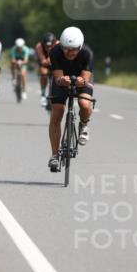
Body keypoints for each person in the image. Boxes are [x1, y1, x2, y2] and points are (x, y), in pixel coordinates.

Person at [47, 26, 93, 172]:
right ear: (61, 45)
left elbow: (86, 78)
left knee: (85, 104)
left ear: (80, 46)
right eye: (66, 48)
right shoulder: (55, 51)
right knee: (57, 113)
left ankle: (84, 124)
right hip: (62, 81)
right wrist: (62, 80)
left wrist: (81, 82)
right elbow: (58, 77)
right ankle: (54, 155)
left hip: (81, 80)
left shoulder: (87, 53)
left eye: (74, 49)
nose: (70, 52)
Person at [34, 32, 58, 107]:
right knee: (43, 73)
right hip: (45, 63)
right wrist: (48, 59)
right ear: (43, 44)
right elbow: (43, 60)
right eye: (46, 46)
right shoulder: (39, 46)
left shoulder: (59, 44)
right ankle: (43, 94)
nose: (49, 48)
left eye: (51, 46)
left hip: (56, 62)